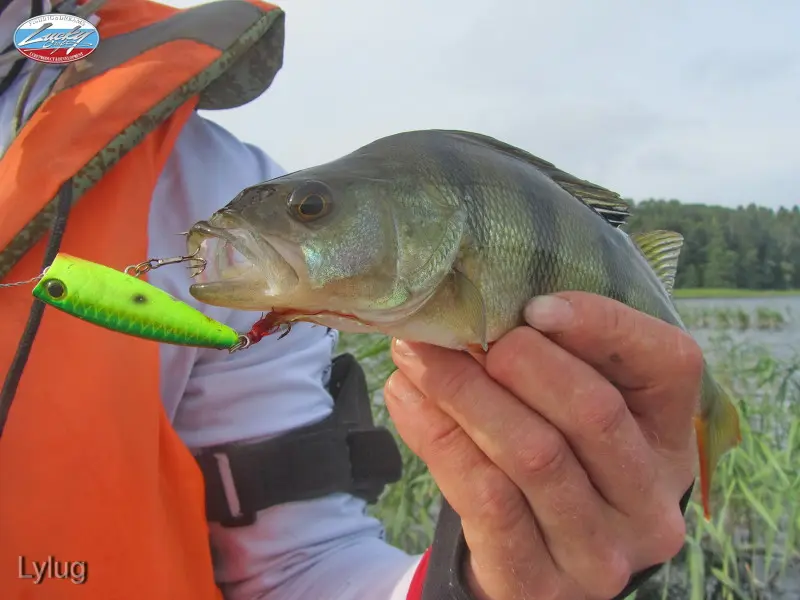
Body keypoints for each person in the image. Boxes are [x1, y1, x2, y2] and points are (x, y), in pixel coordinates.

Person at [0, 1, 698, 599]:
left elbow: (301, 566)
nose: (291, 220)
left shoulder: (205, 175)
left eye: (312, 210)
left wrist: (478, 583)